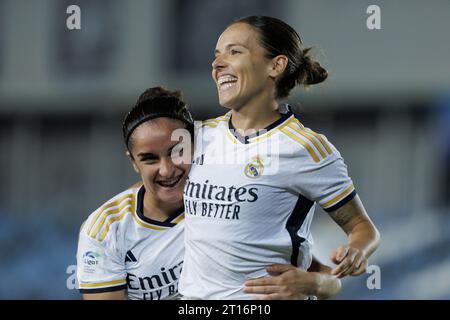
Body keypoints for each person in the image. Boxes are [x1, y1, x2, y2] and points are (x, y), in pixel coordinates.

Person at [178, 16, 380, 300]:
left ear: (276, 65)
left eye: (234, 51)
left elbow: (362, 228)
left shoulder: (305, 148)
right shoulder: (197, 136)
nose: (217, 64)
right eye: (216, 55)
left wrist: (355, 252)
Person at [76, 86, 342, 300]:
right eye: (149, 159)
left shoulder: (233, 200)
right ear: (133, 161)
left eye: (177, 152)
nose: (167, 170)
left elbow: (327, 280)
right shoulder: (106, 230)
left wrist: (313, 285)